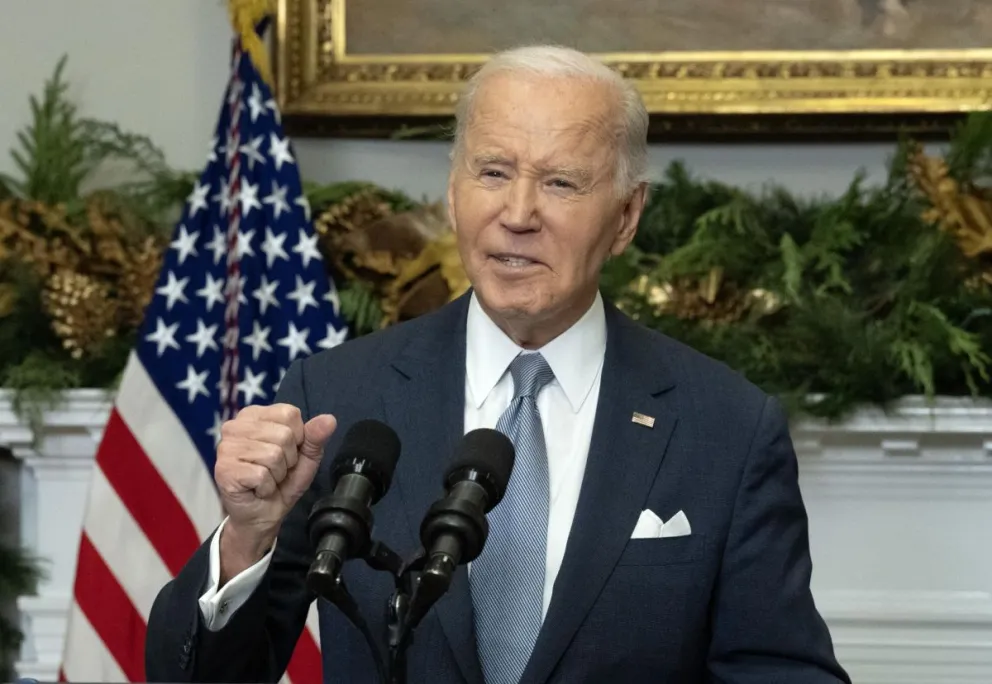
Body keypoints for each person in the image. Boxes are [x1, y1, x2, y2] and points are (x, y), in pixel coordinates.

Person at [145, 44, 851, 684]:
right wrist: (246, 535)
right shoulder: (339, 396)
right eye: (493, 172)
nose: (518, 213)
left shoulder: (725, 426)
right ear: (454, 192)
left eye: (562, 184)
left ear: (628, 216)